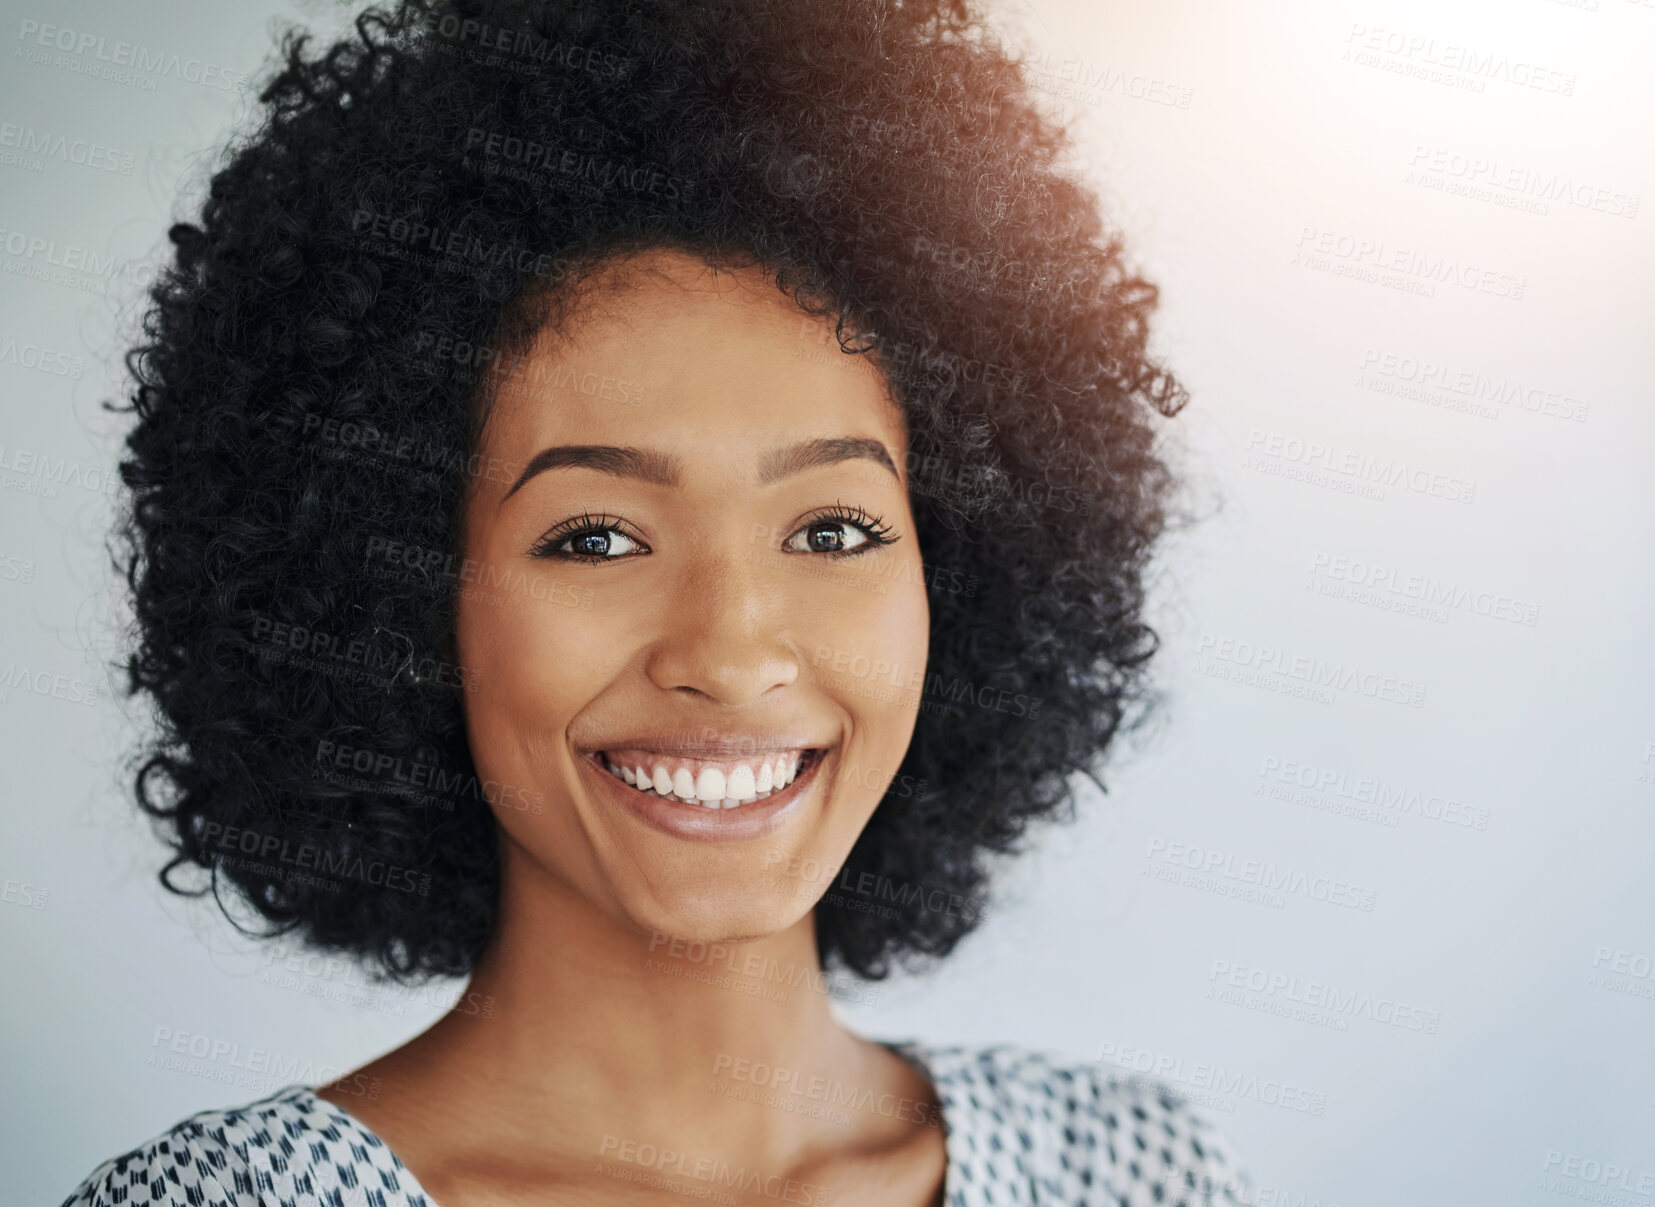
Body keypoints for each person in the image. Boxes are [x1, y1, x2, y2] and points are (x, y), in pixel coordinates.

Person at [62, 0, 1250, 1202]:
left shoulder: (1135, 1171)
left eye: (832, 529)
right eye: (595, 538)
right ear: (403, 604)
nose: (729, 652)